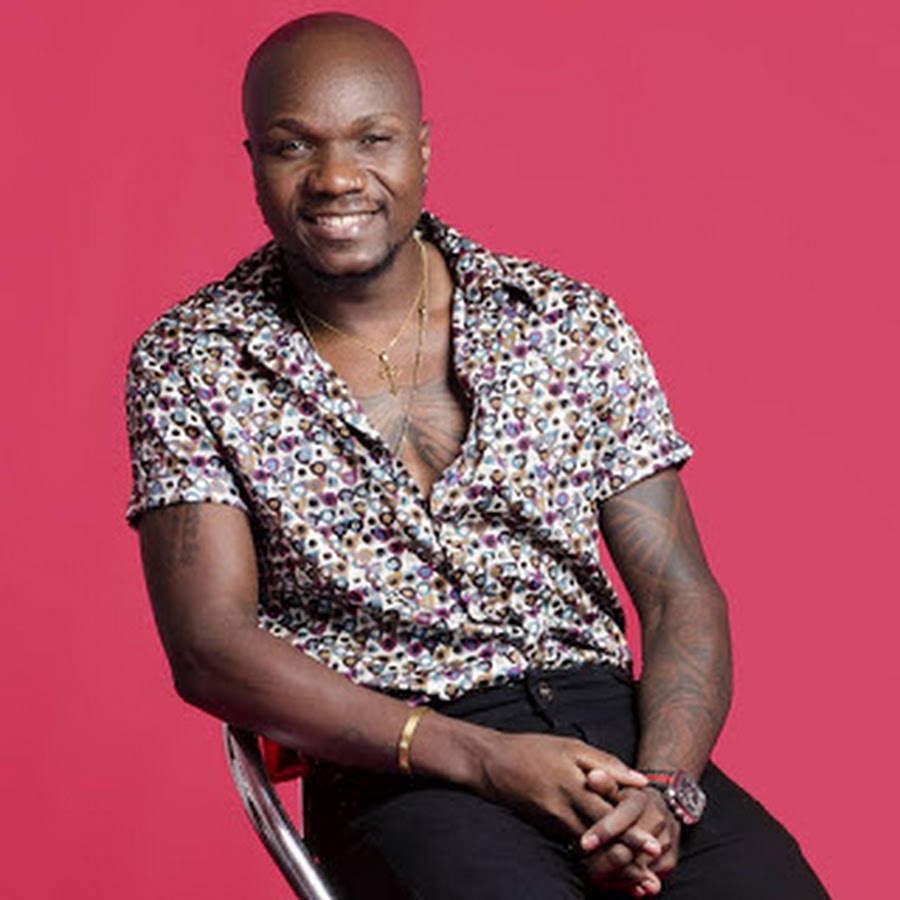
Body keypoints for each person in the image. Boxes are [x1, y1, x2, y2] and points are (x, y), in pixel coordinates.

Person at [126, 12, 828, 899]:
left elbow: (678, 590)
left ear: (421, 148)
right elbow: (210, 646)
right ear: (253, 161)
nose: (336, 177)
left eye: (372, 139)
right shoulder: (196, 361)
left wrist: (664, 790)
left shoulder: (564, 322)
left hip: (620, 745)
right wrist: (482, 757)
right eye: (292, 146)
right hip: (400, 764)